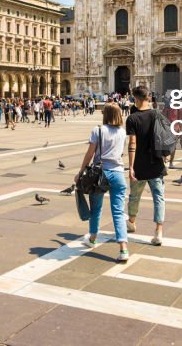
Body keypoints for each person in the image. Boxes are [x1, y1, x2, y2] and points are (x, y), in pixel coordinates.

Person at [76, 102, 129, 262]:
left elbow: (90, 154)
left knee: (96, 208)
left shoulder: (98, 130)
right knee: (118, 212)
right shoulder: (122, 132)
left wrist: (80, 172)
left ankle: (92, 239)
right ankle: (123, 249)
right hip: (118, 173)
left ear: (105, 114)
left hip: (100, 174)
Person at [124, 86, 166, 245]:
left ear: (135, 98)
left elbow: (132, 143)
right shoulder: (157, 114)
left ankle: (132, 222)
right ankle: (159, 232)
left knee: (134, 196)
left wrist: (131, 166)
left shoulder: (132, 118)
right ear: (148, 98)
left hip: (140, 165)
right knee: (159, 197)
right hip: (156, 163)